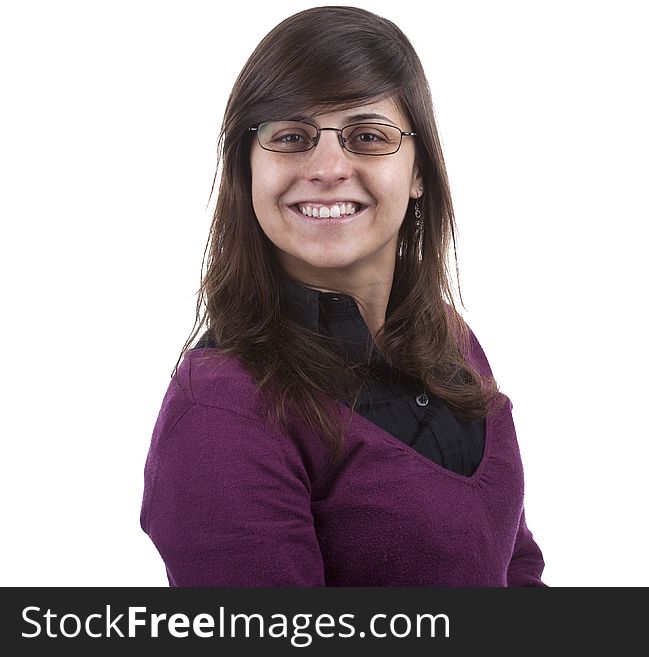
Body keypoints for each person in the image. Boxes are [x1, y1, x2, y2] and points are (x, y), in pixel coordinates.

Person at [140, 5, 546, 587]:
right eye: (291, 137)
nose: (328, 167)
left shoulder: (451, 341)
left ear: (418, 172)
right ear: (247, 171)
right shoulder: (222, 409)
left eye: (367, 137)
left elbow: (515, 560)